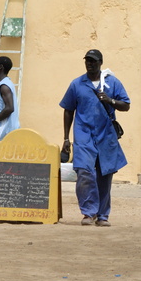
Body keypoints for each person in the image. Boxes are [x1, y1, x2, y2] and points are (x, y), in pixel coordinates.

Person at [60, 49, 130, 227]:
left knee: (104, 175)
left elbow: (126, 105)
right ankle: (88, 212)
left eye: (93, 61)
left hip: (106, 136)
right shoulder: (77, 84)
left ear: (100, 63)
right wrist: (66, 138)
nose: (90, 64)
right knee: (84, 171)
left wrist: (110, 101)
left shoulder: (112, 83)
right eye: (87, 61)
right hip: (83, 135)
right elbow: (68, 110)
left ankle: (102, 215)